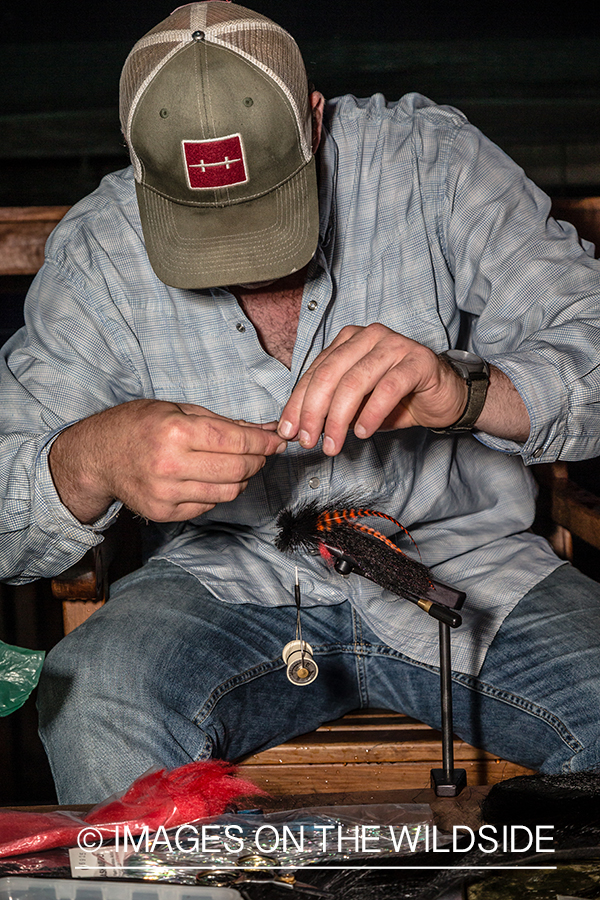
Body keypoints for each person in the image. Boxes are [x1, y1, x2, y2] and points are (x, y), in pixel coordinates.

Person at [1, 1, 599, 804]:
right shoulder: (99, 251)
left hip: (469, 565)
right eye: (205, 226)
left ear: (314, 123)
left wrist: (467, 391)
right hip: (224, 580)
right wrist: (91, 459)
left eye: (268, 212)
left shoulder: (433, 163)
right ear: (141, 167)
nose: (247, 265)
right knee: (96, 696)